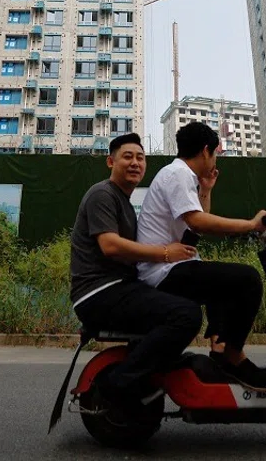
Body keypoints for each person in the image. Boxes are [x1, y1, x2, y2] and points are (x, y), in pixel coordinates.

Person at [69, 132, 201, 423]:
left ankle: (157, 366)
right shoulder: (102, 193)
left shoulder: (125, 203)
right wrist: (165, 253)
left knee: (182, 302)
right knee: (185, 315)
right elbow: (111, 246)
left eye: (140, 158)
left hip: (118, 288)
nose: (135, 163)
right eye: (127, 156)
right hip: (100, 291)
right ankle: (115, 385)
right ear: (110, 161)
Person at [137, 122, 266, 392]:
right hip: (162, 271)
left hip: (172, 266)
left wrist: (207, 189)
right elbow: (198, 222)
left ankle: (220, 348)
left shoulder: (182, 176)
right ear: (205, 151)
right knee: (248, 280)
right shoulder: (177, 174)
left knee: (218, 277)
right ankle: (232, 356)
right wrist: (251, 224)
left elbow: (193, 230)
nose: (214, 161)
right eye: (215, 154)